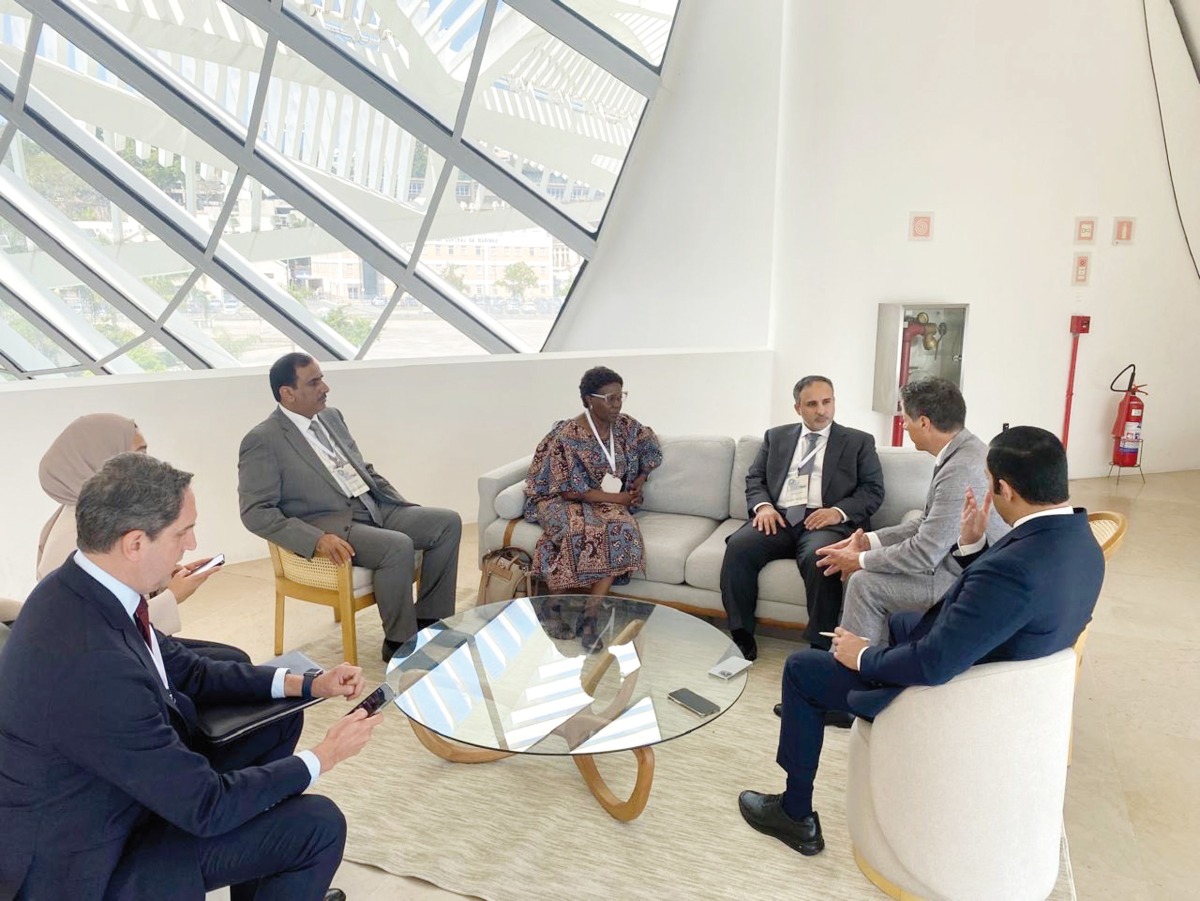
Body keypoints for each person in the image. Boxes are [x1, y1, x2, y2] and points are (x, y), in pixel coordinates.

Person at [0, 452, 382, 900]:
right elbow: (206, 806)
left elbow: (187, 669)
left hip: (117, 794)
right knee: (316, 825)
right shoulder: (95, 666)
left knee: (277, 720)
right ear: (135, 543)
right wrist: (326, 755)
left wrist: (305, 683)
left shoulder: (79, 589)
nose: (192, 542)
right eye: (183, 532)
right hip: (94, 860)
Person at [737, 426, 1104, 858]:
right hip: (991, 665)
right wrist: (971, 547)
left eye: (989, 483)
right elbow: (998, 607)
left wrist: (865, 656)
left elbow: (933, 664)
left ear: (1004, 487)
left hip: (946, 693)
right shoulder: (1080, 543)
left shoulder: (1014, 570)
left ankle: (795, 814)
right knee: (902, 622)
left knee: (801, 670)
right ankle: (846, 689)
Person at [239, 353, 462, 662]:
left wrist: (397, 503)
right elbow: (255, 512)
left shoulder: (331, 417)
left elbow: (360, 467)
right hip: (332, 525)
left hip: (374, 505)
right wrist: (315, 540)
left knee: (446, 523)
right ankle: (400, 643)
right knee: (397, 546)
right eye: (314, 382)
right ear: (287, 394)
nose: (325, 387)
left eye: (322, 378)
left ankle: (429, 624)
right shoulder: (263, 440)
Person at [37, 413, 248, 663]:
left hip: (131, 646)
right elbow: (100, 633)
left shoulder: (84, 515)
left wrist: (160, 578)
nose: (147, 464)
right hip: (113, 660)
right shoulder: (76, 536)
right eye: (138, 455)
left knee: (231, 661)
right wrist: (172, 595)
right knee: (232, 664)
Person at [816, 378, 1009, 646]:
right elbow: (928, 522)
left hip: (967, 581)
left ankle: (857, 669)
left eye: (905, 418)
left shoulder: (960, 469)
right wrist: (869, 540)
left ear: (924, 423)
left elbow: (924, 553)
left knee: (864, 583)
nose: (903, 425)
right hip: (953, 564)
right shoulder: (962, 451)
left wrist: (860, 560)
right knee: (866, 578)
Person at [720, 376, 885, 660]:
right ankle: (741, 635)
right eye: (812, 404)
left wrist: (838, 512)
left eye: (827, 401)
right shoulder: (776, 437)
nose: (822, 410)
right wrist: (763, 507)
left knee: (821, 558)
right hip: (780, 517)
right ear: (798, 408)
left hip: (826, 520)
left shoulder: (858, 441)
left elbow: (872, 490)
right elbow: (755, 478)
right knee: (739, 547)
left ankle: (821, 646)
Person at [524, 367, 662, 648]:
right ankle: (552, 606)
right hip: (559, 500)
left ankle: (590, 614)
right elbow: (567, 488)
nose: (617, 404)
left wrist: (639, 480)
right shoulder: (567, 435)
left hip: (606, 501)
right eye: (609, 398)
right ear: (588, 399)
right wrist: (619, 500)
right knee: (579, 530)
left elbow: (651, 448)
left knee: (620, 527)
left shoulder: (625, 427)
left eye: (620, 396)